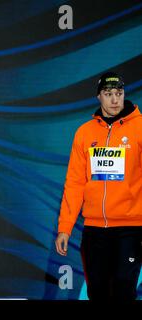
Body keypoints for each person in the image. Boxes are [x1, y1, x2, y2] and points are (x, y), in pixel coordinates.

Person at [55, 72, 142, 300]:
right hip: (94, 229)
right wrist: (65, 227)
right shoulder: (84, 133)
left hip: (131, 228)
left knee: (124, 287)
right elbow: (74, 183)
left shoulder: (139, 128)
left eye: (119, 94)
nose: (115, 100)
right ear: (98, 97)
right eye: (108, 94)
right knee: (97, 290)